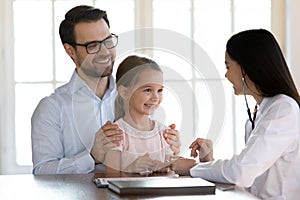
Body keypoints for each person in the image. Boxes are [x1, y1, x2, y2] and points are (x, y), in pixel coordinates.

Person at [31, 5, 180, 174]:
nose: (105, 52)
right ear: (70, 50)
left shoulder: (135, 95)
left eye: (108, 41)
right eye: (93, 46)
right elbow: (42, 171)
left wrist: (168, 148)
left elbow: (147, 158)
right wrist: (91, 156)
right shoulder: (52, 108)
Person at [171, 29, 300, 199]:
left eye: (228, 66)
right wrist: (209, 162)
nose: (226, 74)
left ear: (246, 68)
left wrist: (192, 167)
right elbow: (249, 178)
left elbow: (241, 172)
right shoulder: (261, 111)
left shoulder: (283, 109)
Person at [105, 55, 179, 174]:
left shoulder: (163, 133)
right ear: (124, 92)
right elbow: (111, 178)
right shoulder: (116, 134)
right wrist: (130, 170)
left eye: (159, 90)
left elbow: (172, 171)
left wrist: (165, 167)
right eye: (148, 90)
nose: (155, 98)